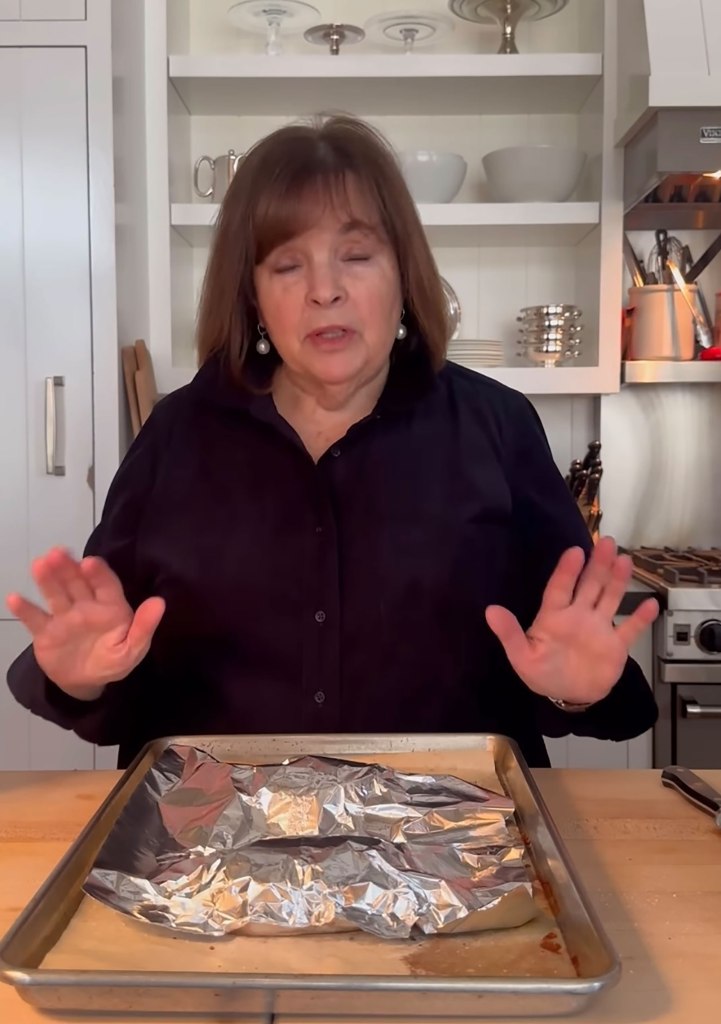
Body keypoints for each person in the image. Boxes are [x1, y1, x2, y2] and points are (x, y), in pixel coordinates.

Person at [5, 115, 659, 769]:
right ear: (253, 298)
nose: (325, 290)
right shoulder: (175, 434)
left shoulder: (498, 425)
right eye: (287, 265)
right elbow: (110, 663)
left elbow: (570, 655)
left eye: (356, 255)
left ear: (403, 274)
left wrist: (576, 693)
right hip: (210, 854)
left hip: (454, 849)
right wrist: (82, 677)